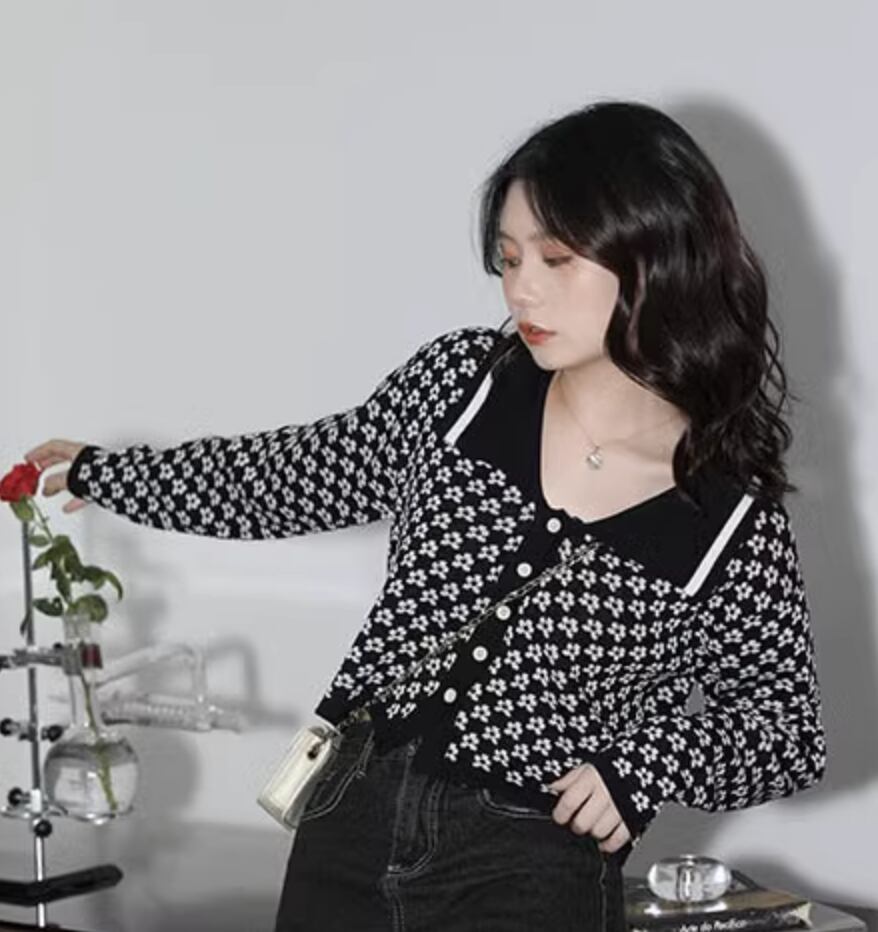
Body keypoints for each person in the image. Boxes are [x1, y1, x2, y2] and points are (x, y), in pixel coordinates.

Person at [24, 99, 827, 932]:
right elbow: (291, 477)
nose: (522, 287)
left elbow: (786, 731)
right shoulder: (463, 391)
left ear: (657, 259)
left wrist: (648, 765)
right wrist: (112, 474)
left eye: (557, 258)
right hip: (352, 815)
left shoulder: (728, 523)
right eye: (508, 258)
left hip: (530, 863)